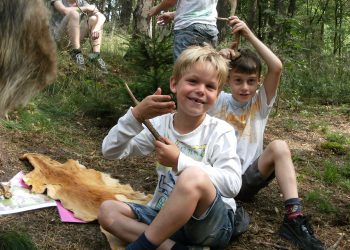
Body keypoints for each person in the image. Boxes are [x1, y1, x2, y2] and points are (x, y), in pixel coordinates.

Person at [98, 45, 242, 249]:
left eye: (210, 87)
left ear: (217, 96)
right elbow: (110, 151)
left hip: (210, 225)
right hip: (165, 216)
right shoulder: (160, 124)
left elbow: (233, 184)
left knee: (192, 176)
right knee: (107, 211)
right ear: (174, 84)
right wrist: (135, 116)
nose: (200, 90)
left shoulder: (220, 131)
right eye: (193, 81)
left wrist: (179, 161)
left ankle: (143, 246)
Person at [209, 16, 325, 250]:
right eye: (238, 81)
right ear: (227, 80)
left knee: (280, 145)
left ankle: (294, 217)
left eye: (251, 82)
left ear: (258, 82)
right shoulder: (217, 100)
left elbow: (277, 66)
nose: (244, 87)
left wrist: (249, 33)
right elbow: (208, 75)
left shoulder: (259, 104)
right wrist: (221, 57)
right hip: (218, 178)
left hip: (247, 179)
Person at [148, 0, 221, 62]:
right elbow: (200, 7)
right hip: (210, 30)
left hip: (189, 29)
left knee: (183, 71)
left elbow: (170, 1)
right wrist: (173, 15)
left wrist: (156, 9)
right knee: (206, 71)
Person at [50, 0, 107, 72]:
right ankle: (76, 52)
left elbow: (102, 17)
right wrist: (86, 8)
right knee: (74, 14)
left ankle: (95, 55)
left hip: (74, 39)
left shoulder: (82, 2)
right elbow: (64, 10)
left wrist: (96, 28)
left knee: (94, 19)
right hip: (59, 39)